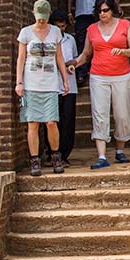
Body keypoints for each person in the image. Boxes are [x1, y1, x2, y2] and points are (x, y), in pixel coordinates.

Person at [74, 0, 130, 169]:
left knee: (122, 115)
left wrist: (123, 51)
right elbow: (86, 54)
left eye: (106, 10)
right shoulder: (92, 29)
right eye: (99, 11)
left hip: (121, 75)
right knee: (99, 114)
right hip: (98, 76)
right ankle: (101, 156)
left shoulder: (125, 25)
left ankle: (120, 151)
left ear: (112, 9)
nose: (102, 13)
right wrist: (74, 64)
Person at [16, 0, 71, 176]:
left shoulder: (55, 32)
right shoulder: (25, 33)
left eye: (44, 17)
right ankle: (34, 160)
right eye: (39, 17)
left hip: (50, 84)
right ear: (34, 14)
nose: (41, 21)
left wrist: (64, 80)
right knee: (33, 123)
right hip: (31, 84)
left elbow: (60, 57)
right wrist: (19, 82)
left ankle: (55, 155)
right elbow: (21, 58)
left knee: (51, 122)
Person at [65, 0, 116, 85]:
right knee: (82, 42)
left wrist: (116, 7)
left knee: (102, 40)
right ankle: (82, 74)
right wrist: (69, 11)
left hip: (99, 13)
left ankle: (103, 68)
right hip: (82, 12)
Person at [44, 9, 79, 166]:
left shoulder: (70, 40)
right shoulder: (46, 40)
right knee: (52, 121)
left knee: (68, 121)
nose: (61, 29)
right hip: (51, 85)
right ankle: (52, 152)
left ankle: (64, 154)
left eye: (63, 26)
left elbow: (74, 59)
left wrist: (71, 65)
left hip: (69, 86)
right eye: (58, 26)